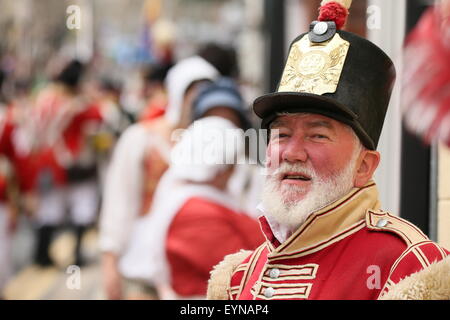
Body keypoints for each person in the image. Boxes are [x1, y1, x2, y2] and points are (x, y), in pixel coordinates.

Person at [207, 0, 450, 300]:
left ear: (364, 166)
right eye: (282, 134)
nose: (292, 152)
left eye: (317, 135)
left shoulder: (409, 268)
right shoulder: (239, 276)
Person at [98, 56, 219, 300]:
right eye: (193, 91)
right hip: (142, 271)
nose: (199, 99)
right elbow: (119, 199)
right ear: (178, 93)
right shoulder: (140, 138)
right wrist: (110, 261)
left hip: (195, 273)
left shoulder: (219, 145)